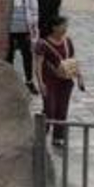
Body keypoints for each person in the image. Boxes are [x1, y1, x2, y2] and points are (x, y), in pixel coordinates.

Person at [35, 16, 84, 147]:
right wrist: (40, 82)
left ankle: (58, 137)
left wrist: (79, 77)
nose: (65, 29)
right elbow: (38, 64)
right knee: (49, 109)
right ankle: (41, 132)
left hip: (65, 81)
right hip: (49, 81)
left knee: (62, 110)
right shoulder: (42, 44)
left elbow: (72, 60)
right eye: (63, 26)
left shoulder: (68, 41)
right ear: (54, 27)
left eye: (66, 26)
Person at [8, 0, 40, 95]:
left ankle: (29, 80)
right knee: (8, 55)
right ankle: (7, 81)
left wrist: (33, 23)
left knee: (27, 54)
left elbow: (34, 5)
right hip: (8, 26)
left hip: (23, 26)